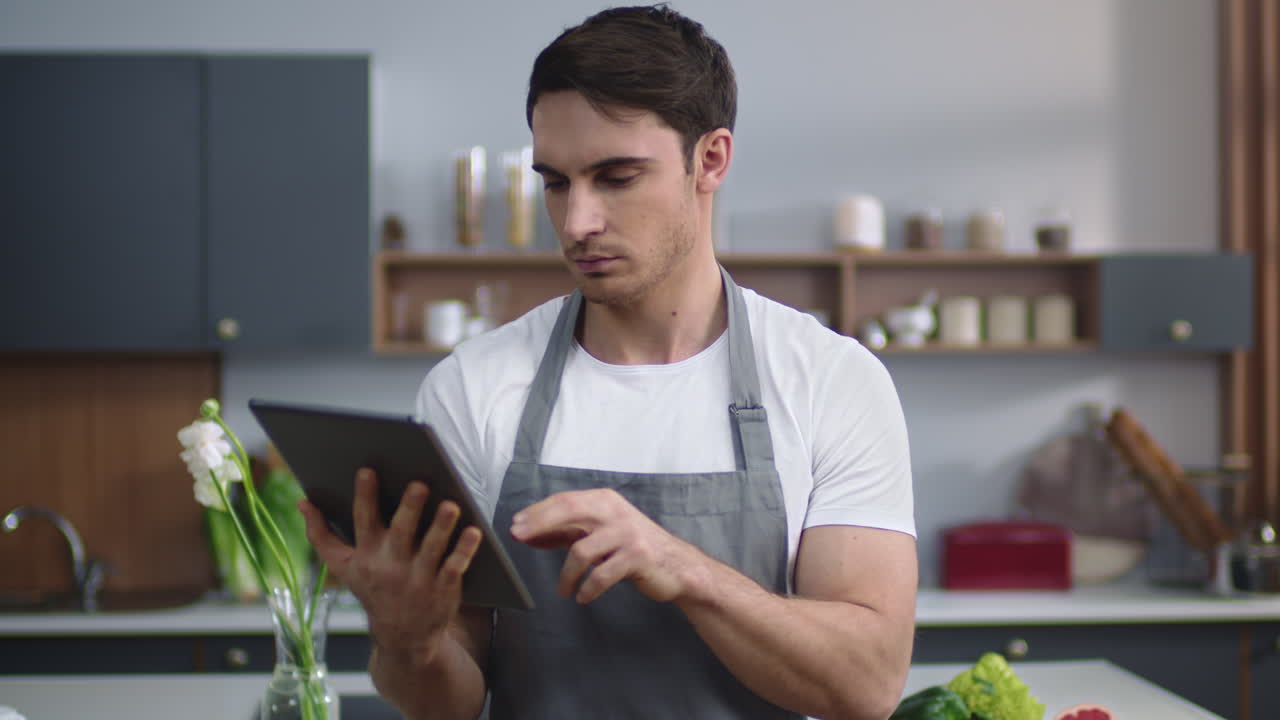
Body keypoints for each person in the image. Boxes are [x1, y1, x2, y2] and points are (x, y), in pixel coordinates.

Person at [300, 5, 917, 719]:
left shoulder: (831, 382)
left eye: (616, 177)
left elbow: (866, 686)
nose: (576, 222)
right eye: (556, 182)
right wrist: (409, 642)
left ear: (710, 160)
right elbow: (449, 703)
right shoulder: (473, 388)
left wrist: (684, 569)